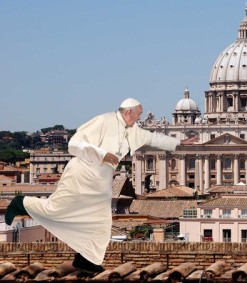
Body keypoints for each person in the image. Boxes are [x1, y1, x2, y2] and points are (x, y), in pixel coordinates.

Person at [5, 98, 198, 273]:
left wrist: (181, 141)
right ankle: (21, 202)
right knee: (58, 209)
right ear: (128, 112)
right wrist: (101, 154)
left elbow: (154, 138)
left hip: (100, 180)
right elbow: (74, 143)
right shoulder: (103, 121)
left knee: (100, 224)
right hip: (81, 173)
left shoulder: (133, 131)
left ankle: (85, 259)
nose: (140, 118)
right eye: (138, 114)